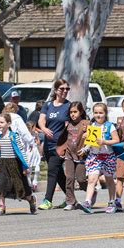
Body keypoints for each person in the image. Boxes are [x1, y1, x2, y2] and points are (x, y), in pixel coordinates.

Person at [79, 103, 119, 214]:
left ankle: (112, 202)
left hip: (108, 157)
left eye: (101, 113)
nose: (98, 115)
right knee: (92, 180)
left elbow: (116, 140)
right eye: (96, 113)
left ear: (105, 114)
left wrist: (104, 141)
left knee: (109, 180)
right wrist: (85, 149)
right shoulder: (92, 126)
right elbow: (91, 142)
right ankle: (87, 202)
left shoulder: (109, 126)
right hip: (94, 156)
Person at [0, 113, 36, 216]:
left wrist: (26, 166)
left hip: (15, 164)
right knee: (1, 186)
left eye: (2, 122)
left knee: (20, 188)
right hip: (4, 164)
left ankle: (31, 200)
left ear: (8, 123)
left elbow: (21, 151)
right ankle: (1, 207)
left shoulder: (14, 136)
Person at [37, 79, 71, 210]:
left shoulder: (68, 106)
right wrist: (44, 129)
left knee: (52, 171)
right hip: (48, 144)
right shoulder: (48, 105)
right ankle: (70, 199)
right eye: (62, 89)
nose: (65, 91)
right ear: (56, 90)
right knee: (59, 174)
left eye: (67, 89)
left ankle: (47, 200)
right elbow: (41, 120)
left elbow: (70, 125)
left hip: (60, 145)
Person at [57, 102, 89, 210]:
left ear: (81, 112)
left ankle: (91, 191)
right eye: (71, 112)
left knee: (81, 179)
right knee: (69, 178)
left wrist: (87, 137)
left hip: (81, 155)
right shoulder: (68, 124)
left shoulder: (86, 123)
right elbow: (65, 138)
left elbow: (94, 138)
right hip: (69, 154)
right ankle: (70, 201)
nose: (73, 114)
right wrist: (62, 149)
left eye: (75, 112)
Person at [26, 121, 41, 192]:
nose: (36, 128)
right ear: (30, 128)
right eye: (34, 127)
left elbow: (38, 143)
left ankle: (35, 182)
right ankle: (29, 184)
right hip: (29, 153)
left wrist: (37, 138)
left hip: (35, 152)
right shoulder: (26, 135)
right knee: (29, 169)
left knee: (37, 167)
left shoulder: (35, 134)